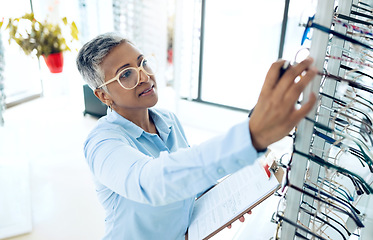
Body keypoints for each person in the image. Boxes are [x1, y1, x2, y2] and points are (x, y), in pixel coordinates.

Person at [76, 32, 317, 240]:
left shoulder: (168, 120)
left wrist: (228, 200)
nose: (145, 76)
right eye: (126, 75)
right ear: (103, 96)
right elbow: (151, 182)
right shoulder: (101, 143)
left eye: (143, 63)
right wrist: (250, 137)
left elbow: (188, 179)